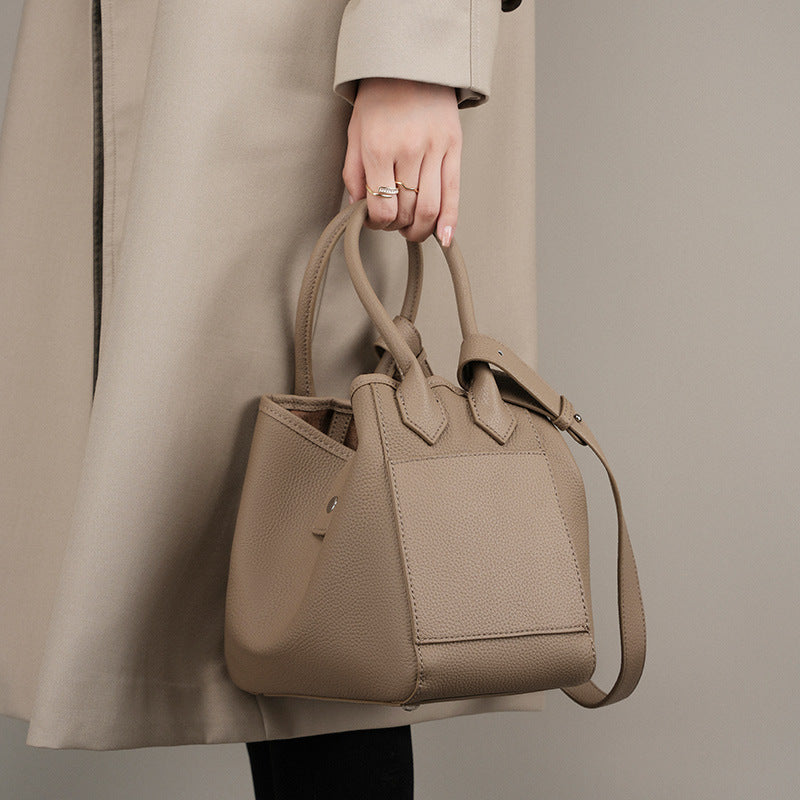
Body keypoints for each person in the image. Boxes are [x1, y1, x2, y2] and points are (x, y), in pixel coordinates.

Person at [0, 0, 538, 795]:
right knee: (299, 581)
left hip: (301, 57)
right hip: (168, 56)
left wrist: (418, 44)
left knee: (335, 575)